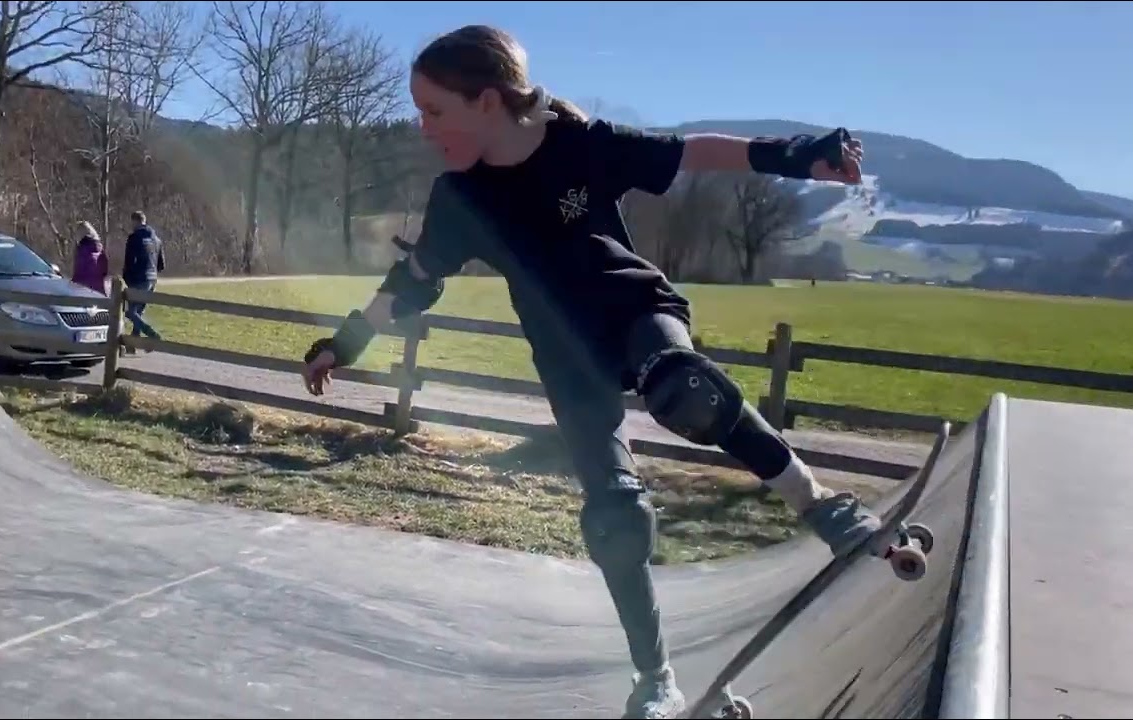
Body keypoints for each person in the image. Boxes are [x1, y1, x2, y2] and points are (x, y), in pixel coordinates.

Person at [300, 24, 876, 719]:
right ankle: (656, 678)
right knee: (614, 520)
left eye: (434, 112)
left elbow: (691, 153)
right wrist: (346, 342)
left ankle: (821, 504)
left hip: (638, 313)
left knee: (682, 389)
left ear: (486, 102)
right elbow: (412, 280)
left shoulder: (580, 145)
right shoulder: (459, 200)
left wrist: (797, 156)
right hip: (568, 361)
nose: (423, 129)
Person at [121, 210, 164, 344]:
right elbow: (161, 264)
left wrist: (127, 278)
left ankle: (152, 334)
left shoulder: (134, 238)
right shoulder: (157, 240)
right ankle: (133, 343)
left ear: (135, 221)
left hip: (138, 279)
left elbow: (129, 261)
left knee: (130, 312)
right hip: (152, 279)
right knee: (138, 312)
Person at [70, 220, 109, 295]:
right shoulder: (100, 250)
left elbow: (80, 271)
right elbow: (105, 271)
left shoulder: (84, 250)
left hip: (85, 290)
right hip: (99, 290)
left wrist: (73, 283)